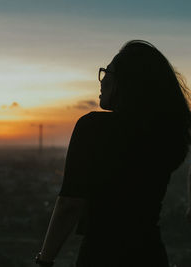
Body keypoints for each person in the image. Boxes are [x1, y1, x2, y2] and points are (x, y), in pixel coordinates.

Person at [35, 40, 191, 267]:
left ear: (124, 82)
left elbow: (69, 204)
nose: (102, 80)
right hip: (151, 254)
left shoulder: (93, 128)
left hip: (102, 255)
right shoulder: (167, 134)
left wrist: (44, 260)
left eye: (107, 72)